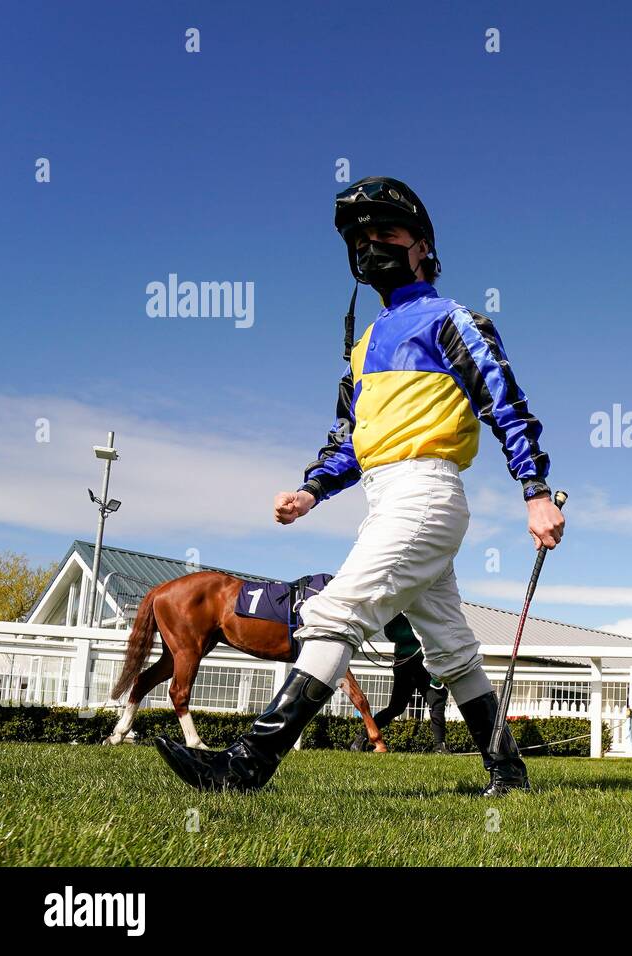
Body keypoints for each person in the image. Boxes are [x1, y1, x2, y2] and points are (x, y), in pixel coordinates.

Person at [155, 176, 565, 795]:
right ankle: (508, 772)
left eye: (387, 234)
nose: (372, 246)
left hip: (427, 493)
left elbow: (505, 402)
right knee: (450, 647)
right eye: (362, 238)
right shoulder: (364, 344)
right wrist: (312, 490)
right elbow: (352, 436)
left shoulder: (456, 321)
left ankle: (244, 767)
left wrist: (534, 490)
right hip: (387, 499)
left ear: (422, 247)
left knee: (332, 613)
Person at [352, 614, 450, 753]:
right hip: (407, 663)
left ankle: (440, 746)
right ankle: (363, 736)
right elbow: (392, 633)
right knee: (396, 708)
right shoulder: (397, 608)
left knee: (437, 703)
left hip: (427, 663)